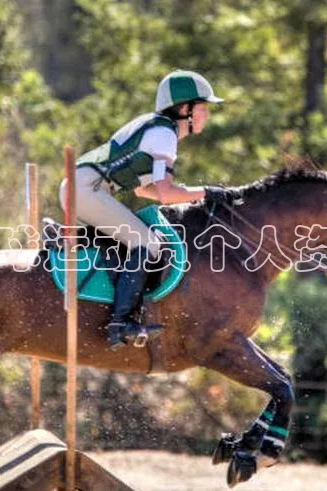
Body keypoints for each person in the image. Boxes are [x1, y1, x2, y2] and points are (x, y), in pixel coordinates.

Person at [60, 70, 237, 350]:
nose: (207, 114)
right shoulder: (164, 134)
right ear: (185, 109)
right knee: (148, 243)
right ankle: (120, 323)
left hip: (82, 187)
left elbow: (145, 190)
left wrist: (195, 195)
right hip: (86, 189)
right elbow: (166, 194)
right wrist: (207, 192)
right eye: (203, 108)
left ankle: (72, 242)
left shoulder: (158, 128)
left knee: (133, 241)